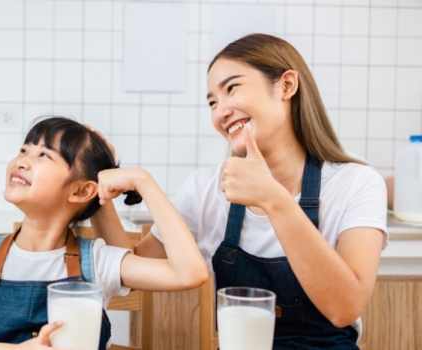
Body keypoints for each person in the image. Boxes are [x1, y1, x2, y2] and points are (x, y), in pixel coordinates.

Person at [113, 34, 387, 350]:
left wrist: (273, 199)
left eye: (232, 89)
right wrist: (104, 193)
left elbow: (344, 308)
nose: (221, 112)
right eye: (213, 102)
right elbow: (129, 274)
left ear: (286, 86)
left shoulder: (356, 183)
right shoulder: (205, 190)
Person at [0, 117, 208, 350]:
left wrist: (143, 181)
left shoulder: (98, 261)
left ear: (81, 191)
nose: (23, 160)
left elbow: (190, 274)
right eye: (24, 149)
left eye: (44, 155)